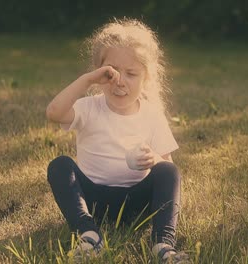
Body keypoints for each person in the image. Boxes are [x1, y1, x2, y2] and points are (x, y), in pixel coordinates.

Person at [45, 18, 189, 263]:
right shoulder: (89, 108)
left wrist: (154, 159)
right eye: (112, 72)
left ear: (146, 78)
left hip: (136, 203)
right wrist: (87, 80)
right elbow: (54, 112)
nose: (120, 81)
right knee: (59, 165)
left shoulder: (151, 114)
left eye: (131, 74)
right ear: (100, 72)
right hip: (92, 201)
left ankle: (163, 244)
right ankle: (88, 234)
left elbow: (167, 165)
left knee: (169, 171)